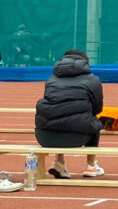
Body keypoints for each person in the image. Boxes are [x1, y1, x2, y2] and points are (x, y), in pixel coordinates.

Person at [34, 50, 105, 179]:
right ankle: (90, 165)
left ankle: (59, 162)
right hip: (78, 138)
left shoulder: (51, 80)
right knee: (94, 121)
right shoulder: (93, 80)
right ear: (85, 64)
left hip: (45, 137)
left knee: (57, 114)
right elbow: (97, 108)